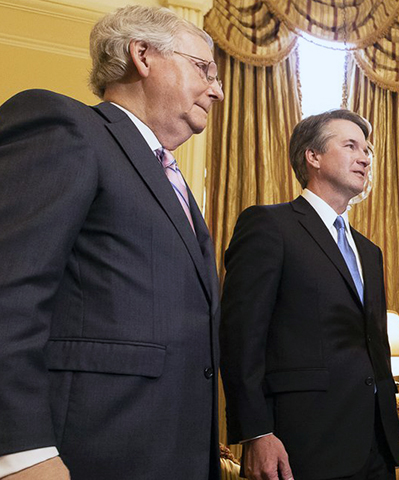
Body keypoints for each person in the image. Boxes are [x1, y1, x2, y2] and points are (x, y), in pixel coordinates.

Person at [0, 5, 224, 479]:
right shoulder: (65, 127)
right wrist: (23, 450)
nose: (217, 89)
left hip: (175, 451)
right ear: (142, 54)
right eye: (204, 68)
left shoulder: (172, 179)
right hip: (88, 450)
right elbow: (10, 292)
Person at [220, 110, 399, 480]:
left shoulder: (370, 251)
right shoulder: (269, 225)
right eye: (350, 145)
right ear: (313, 157)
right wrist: (257, 432)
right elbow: (240, 336)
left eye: (367, 149)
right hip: (302, 444)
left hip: (375, 445)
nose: (365, 157)